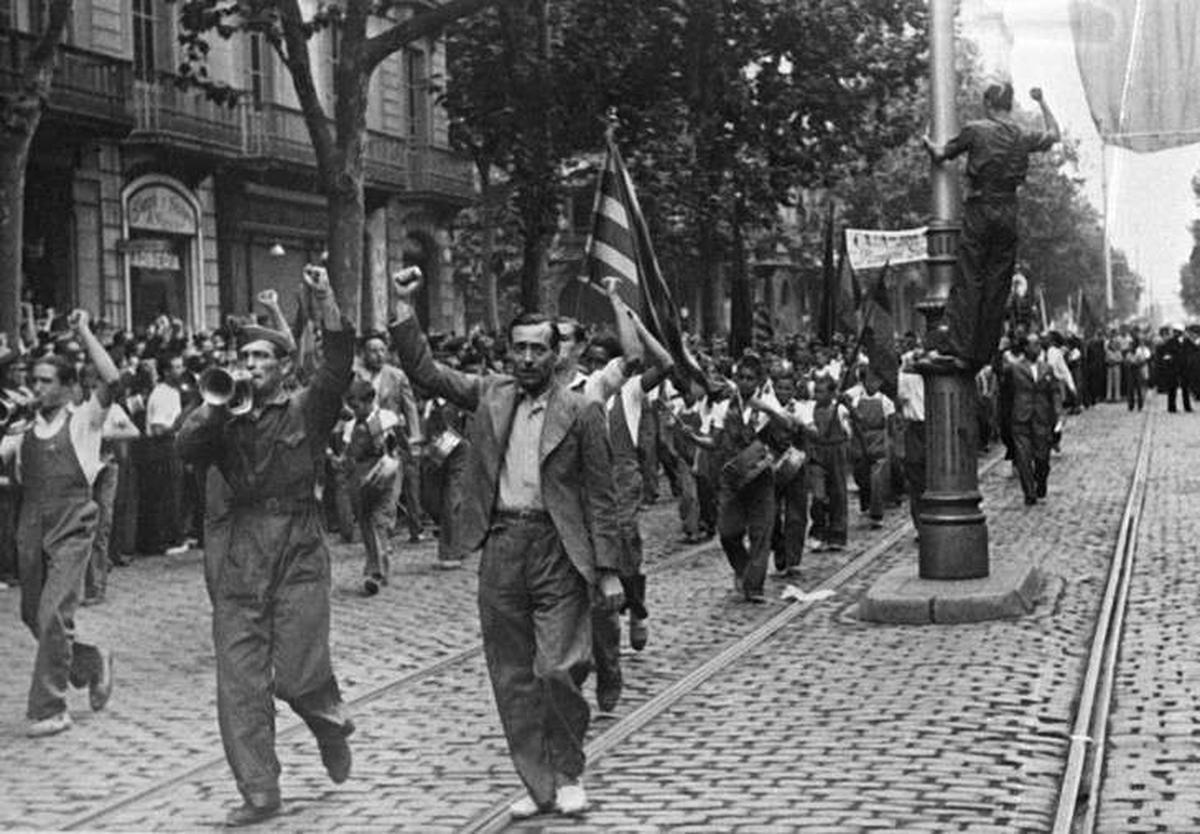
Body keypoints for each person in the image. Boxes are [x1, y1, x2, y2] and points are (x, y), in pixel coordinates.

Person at [388, 269, 624, 820]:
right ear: (507, 352)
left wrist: (609, 570)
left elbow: (601, 497)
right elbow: (426, 372)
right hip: (501, 545)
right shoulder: (490, 395)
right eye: (518, 349)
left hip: (558, 549)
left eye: (537, 349)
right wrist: (404, 307)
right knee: (512, 674)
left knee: (557, 669)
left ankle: (567, 773)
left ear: (556, 354)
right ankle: (538, 783)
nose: (526, 359)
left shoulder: (582, 410)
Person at [176, 265, 356, 827]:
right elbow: (183, 447)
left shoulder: (308, 407)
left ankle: (327, 721)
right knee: (240, 682)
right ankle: (260, 792)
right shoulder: (222, 415)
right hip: (242, 551)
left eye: (262, 360)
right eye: (244, 359)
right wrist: (213, 406)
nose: (251, 367)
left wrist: (323, 298)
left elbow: (338, 363)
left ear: (283, 367)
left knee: (299, 673)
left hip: (298, 546)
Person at [0, 310, 117, 737]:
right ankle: (91, 660)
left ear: (67, 386)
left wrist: (84, 331)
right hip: (31, 523)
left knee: (53, 614)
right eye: (36, 379)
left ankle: (49, 708)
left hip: (72, 520)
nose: (38, 387)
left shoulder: (84, 419)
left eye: (48, 380)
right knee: (34, 615)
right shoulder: (22, 428)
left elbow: (113, 380)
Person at [923, 83, 1060, 369]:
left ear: (988, 103)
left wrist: (928, 142)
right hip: (1009, 210)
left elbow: (940, 154)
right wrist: (1042, 101)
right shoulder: (1022, 135)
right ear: (1009, 105)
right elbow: (1054, 134)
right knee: (998, 284)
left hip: (980, 208)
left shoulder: (975, 130)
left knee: (970, 277)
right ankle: (983, 352)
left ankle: (961, 349)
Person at [337, 379, 401, 595]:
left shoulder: (385, 419)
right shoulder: (353, 423)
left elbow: (395, 449)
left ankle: (377, 573)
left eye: (356, 406)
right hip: (360, 478)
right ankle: (377, 563)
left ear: (369, 400)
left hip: (382, 476)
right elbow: (349, 451)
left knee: (377, 521)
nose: (353, 411)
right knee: (366, 522)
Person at [1006, 332, 1061, 505]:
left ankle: (1041, 482)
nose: (1036, 347)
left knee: (1042, 457)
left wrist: (1057, 416)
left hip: (1042, 418)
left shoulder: (1047, 368)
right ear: (1025, 347)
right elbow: (1006, 396)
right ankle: (1029, 493)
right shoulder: (1014, 369)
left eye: (1038, 344)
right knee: (1023, 458)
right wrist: (1006, 420)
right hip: (1021, 418)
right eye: (1033, 344)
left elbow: (1054, 393)